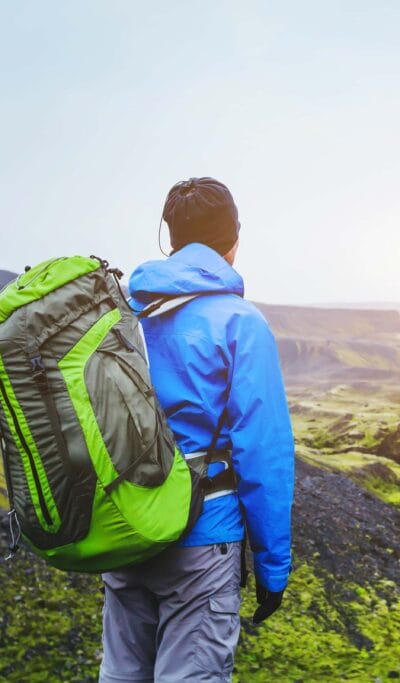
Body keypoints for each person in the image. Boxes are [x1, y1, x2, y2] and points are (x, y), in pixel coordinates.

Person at [99, 177, 295, 682]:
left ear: (171, 238)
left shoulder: (123, 316)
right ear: (234, 239)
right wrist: (272, 569)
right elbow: (264, 455)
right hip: (203, 540)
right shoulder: (240, 323)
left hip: (126, 529)